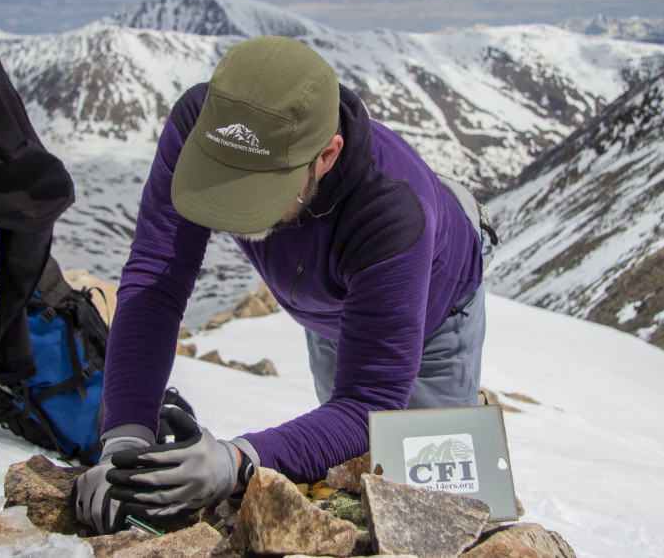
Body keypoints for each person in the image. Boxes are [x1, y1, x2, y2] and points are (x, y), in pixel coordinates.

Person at [73, 36, 494, 533]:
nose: (234, 211)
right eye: (226, 181)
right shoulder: (203, 124)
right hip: (328, 299)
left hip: (436, 310)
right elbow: (156, 281)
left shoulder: (392, 216)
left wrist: (236, 462)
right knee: (341, 460)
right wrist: (124, 437)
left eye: (259, 193)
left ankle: (467, 412)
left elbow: (367, 403)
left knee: (425, 503)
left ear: (328, 155)